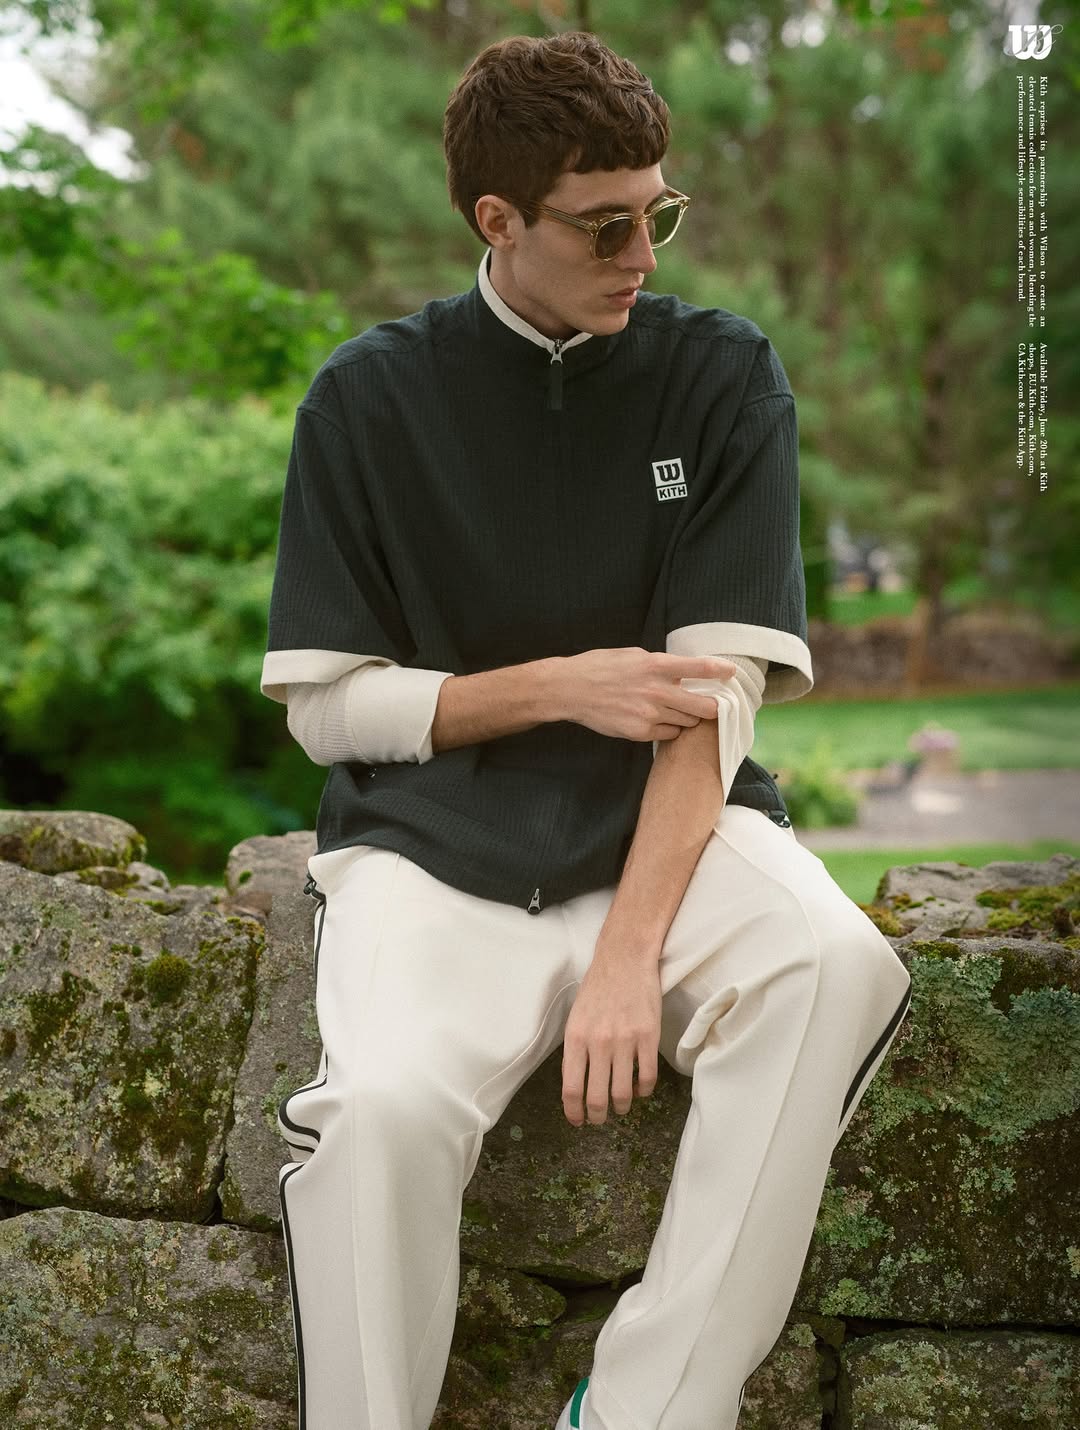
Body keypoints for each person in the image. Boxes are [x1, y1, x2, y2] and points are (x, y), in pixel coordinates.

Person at [260, 31, 913, 1430]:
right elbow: (328, 707)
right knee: (379, 1112)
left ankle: (638, 1411)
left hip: (671, 833)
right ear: (497, 219)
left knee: (835, 964)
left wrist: (629, 952)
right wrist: (562, 684)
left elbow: (712, 698)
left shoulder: (723, 375)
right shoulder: (365, 399)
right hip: (430, 847)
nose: (643, 254)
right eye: (604, 225)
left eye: (658, 212)